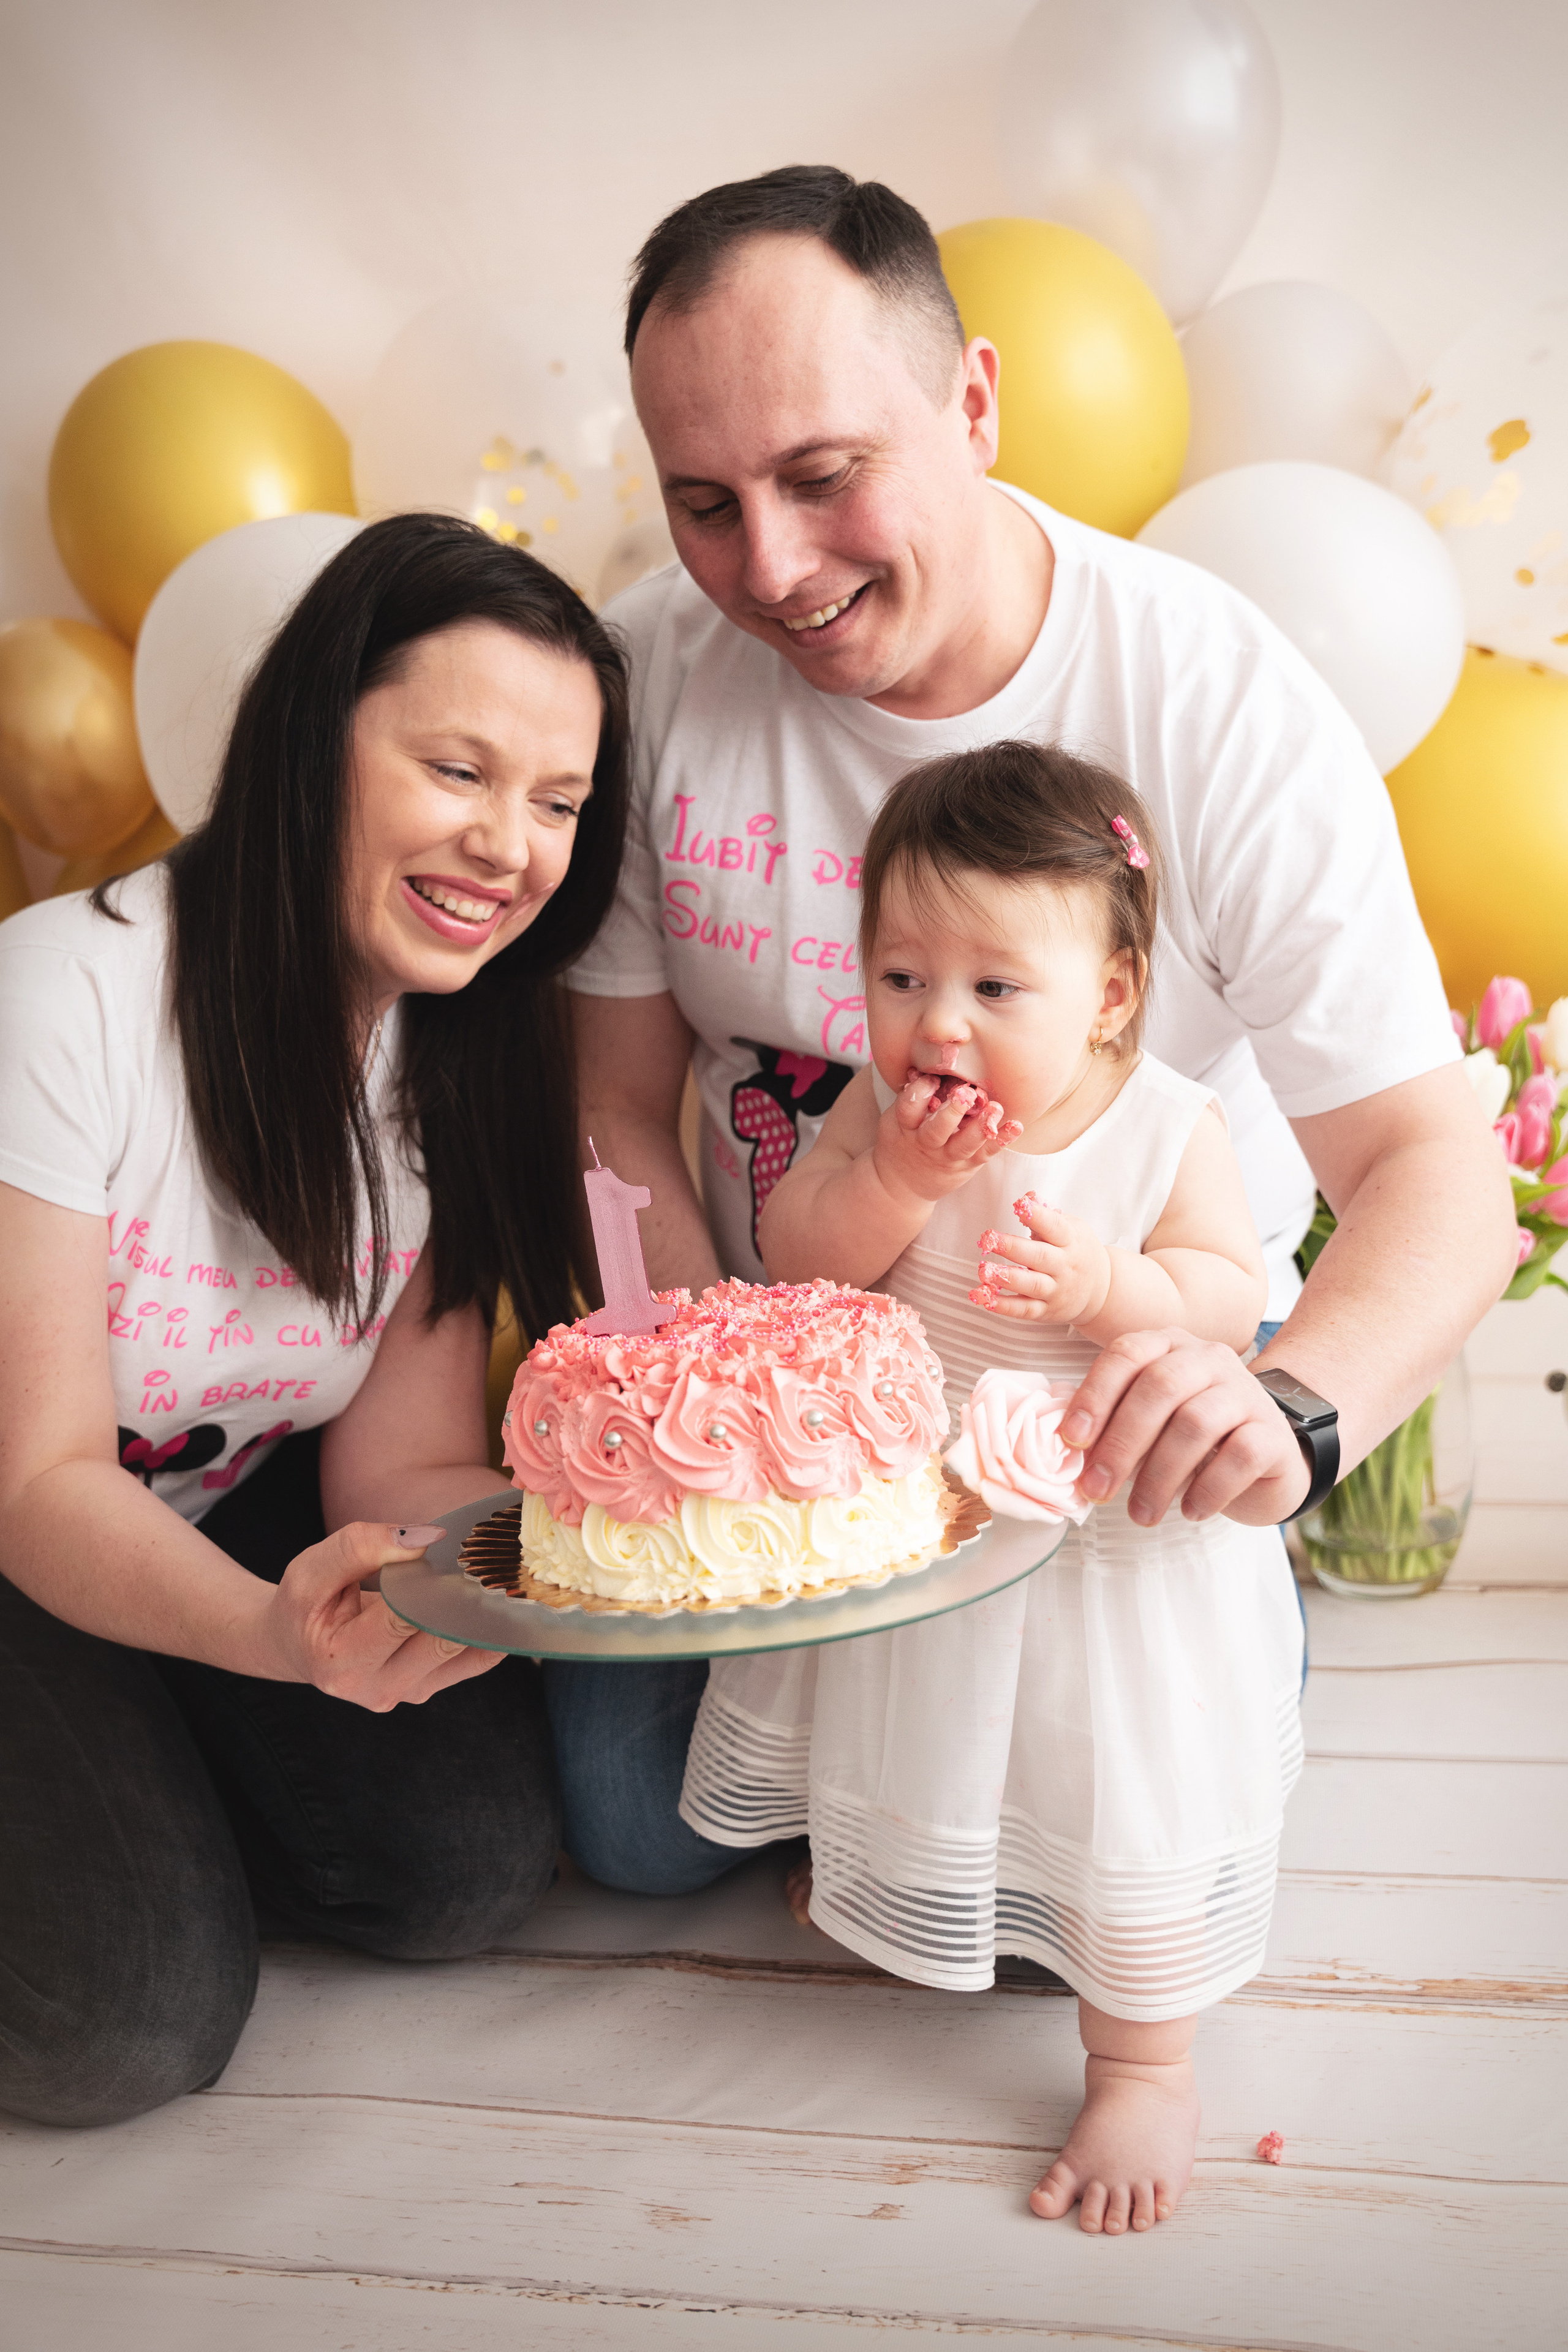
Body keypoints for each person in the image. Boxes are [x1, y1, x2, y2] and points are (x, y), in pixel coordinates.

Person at [550, 165, 1515, 1885]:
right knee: (638, 1840)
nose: (767, 567)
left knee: (1077, 1898)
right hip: (799, 1442)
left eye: (825, 478)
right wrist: (726, 1417)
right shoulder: (645, 683)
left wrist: (1290, 1416)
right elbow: (616, 1106)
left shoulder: (1214, 701)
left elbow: (1437, 1166)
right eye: (704, 504)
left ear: (975, 402)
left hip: (1083, 1466)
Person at [0, 513, 630, 2127]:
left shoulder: (465, 1049)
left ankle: (131, 1759)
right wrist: (264, 1639)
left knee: (465, 1876)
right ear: (310, 739)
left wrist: (617, 1530)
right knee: (128, 2025)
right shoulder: (62, 1000)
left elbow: (393, 1468)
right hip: (27, 1513)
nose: (512, 846)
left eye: (558, 803)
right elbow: (39, 1480)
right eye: (461, 770)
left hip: (192, 1506)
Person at [680, 744, 1304, 2234]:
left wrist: (1111, 1285)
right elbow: (803, 1255)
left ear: (1107, 992)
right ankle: (901, 1867)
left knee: (1114, 1781)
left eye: (992, 990)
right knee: (928, 1731)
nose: (935, 1026)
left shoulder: (1163, 1125)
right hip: (927, 1519)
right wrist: (887, 1177)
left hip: (1101, 1537)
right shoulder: (873, 1112)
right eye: (900, 980)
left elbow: (1225, 1299)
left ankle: (1141, 2063)